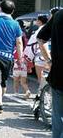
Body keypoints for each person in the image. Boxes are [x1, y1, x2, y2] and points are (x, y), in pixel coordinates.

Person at [37, 9, 63, 138]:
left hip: (58, 74)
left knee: (58, 115)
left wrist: (49, 60)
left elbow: (41, 38)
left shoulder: (59, 15)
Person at [24, 14, 49, 92]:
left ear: (39, 21)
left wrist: (28, 58)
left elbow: (31, 45)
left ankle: (43, 94)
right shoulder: (53, 29)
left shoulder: (39, 31)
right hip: (53, 55)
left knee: (41, 77)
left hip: (41, 56)